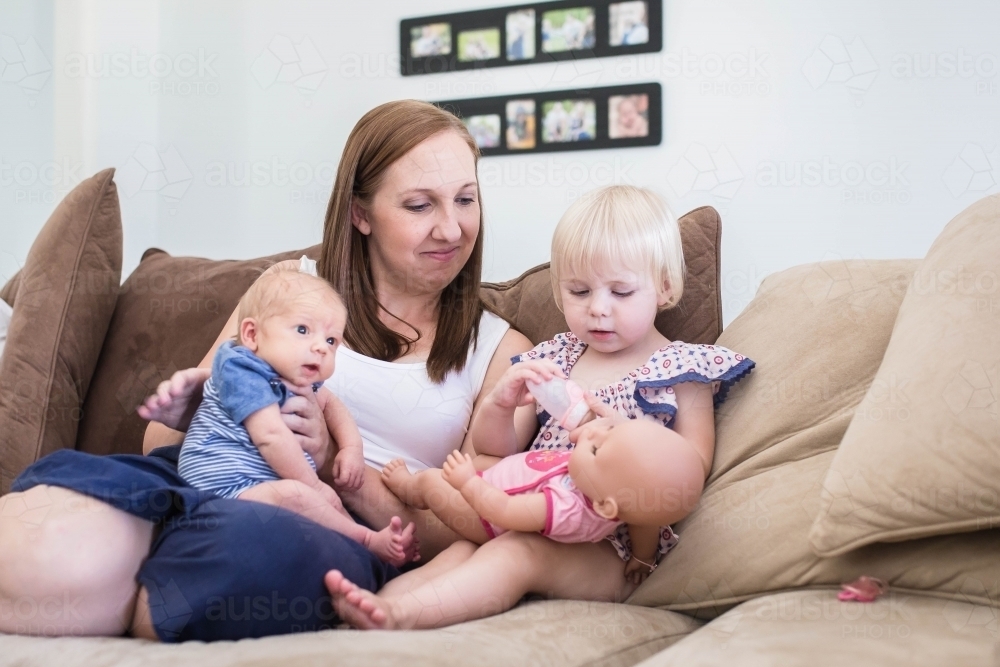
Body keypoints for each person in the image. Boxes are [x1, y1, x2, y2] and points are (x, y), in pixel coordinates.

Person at [0, 99, 537, 641]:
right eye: (421, 205)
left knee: (201, 574)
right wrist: (196, 411)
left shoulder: (503, 354)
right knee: (38, 538)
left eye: (465, 200)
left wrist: (333, 463)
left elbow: (470, 530)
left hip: (330, 526)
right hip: (198, 480)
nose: (451, 228)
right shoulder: (290, 287)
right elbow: (157, 441)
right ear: (361, 213)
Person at [328, 185, 755, 630]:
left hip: (612, 548)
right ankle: (369, 613)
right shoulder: (555, 359)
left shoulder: (681, 370)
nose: (598, 310)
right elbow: (495, 449)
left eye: (621, 292)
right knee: (462, 548)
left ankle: (401, 616)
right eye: (579, 291)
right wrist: (498, 405)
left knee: (517, 554)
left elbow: (690, 471)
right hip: (529, 514)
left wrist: (623, 436)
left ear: (664, 287)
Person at [174, 268, 416, 566]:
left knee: (322, 502)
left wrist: (352, 449)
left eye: (331, 341)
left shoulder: (297, 375)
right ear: (252, 335)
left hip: (258, 487)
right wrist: (314, 486)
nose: (321, 348)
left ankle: (369, 545)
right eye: (302, 330)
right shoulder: (242, 368)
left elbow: (332, 406)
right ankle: (364, 539)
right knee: (299, 495)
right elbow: (270, 436)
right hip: (221, 490)